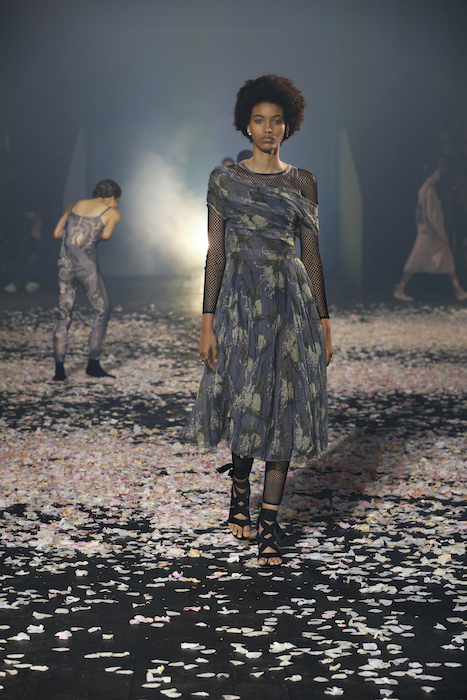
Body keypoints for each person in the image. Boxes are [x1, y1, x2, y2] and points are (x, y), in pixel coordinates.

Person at [182, 75, 332, 566]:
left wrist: (324, 321)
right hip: (241, 304)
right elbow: (215, 253)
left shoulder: (302, 181)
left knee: (285, 406)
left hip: (291, 303)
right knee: (247, 400)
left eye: (277, 121)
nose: (269, 128)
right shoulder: (225, 181)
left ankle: (269, 524)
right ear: (246, 126)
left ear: (289, 126)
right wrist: (207, 322)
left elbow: (311, 255)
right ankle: (239, 487)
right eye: (260, 120)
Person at [52, 179, 121, 381]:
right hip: (87, 267)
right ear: (111, 198)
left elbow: (57, 233)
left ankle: (59, 370)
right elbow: (106, 235)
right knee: (102, 309)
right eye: (117, 200)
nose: (116, 204)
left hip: (65, 265)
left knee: (64, 313)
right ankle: (93, 364)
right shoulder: (112, 212)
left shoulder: (74, 205)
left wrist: (74, 236)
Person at [394, 169, 467, 301]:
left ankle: (458, 289)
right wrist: (441, 234)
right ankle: (400, 289)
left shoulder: (423, 189)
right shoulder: (430, 192)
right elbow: (433, 216)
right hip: (430, 233)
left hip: (427, 232)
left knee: (445, 259)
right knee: (415, 261)